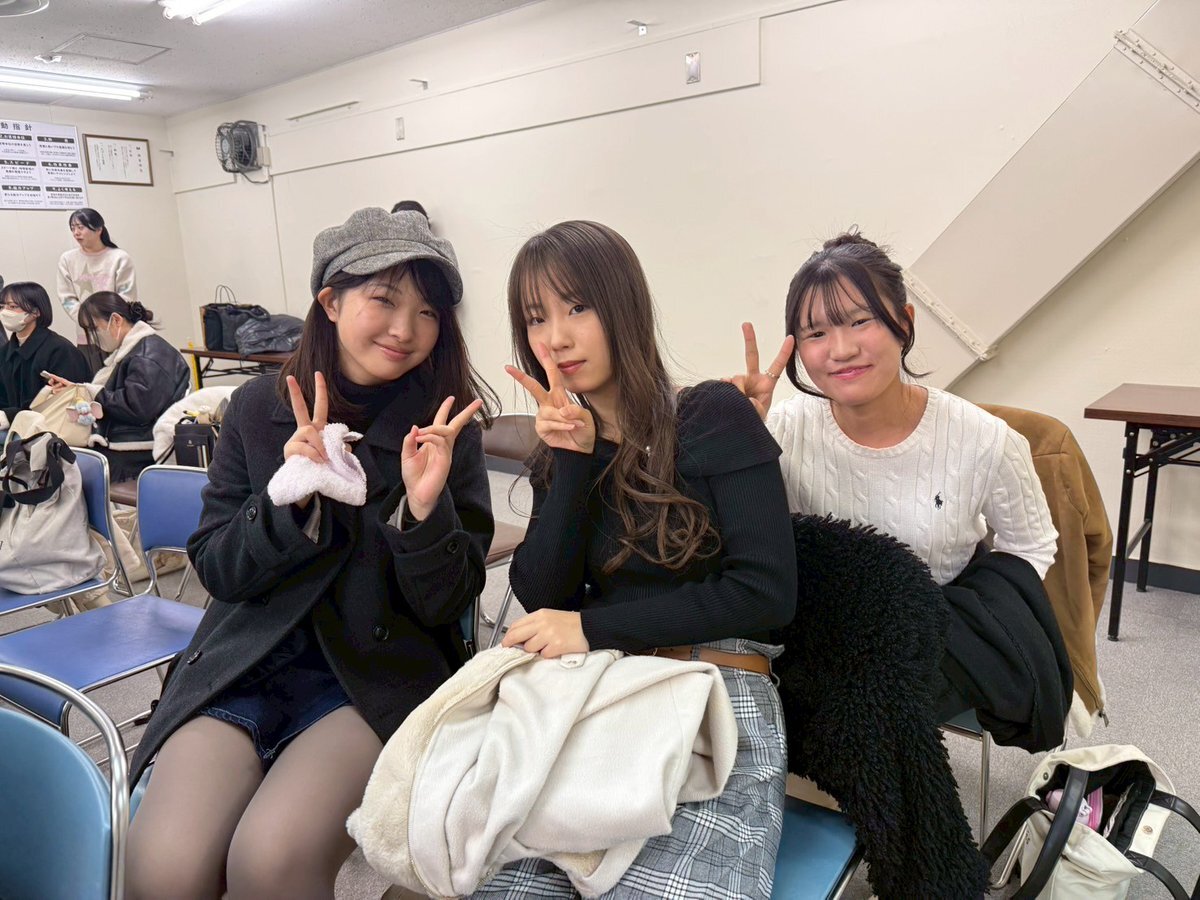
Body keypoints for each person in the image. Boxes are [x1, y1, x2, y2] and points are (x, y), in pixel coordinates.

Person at [124, 207, 496, 900]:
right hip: (250, 660)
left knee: (270, 863)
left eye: (427, 312)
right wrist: (288, 498)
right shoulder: (257, 408)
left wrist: (423, 511)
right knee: (162, 868)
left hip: (369, 677)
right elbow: (217, 567)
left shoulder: (446, 426)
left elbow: (448, 603)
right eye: (384, 300)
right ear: (330, 301)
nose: (405, 329)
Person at [475, 220, 796, 899]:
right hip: (600, 693)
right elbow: (543, 594)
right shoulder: (565, 447)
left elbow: (766, 592)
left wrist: (592, 627)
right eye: (536, 318)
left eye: (577, 307)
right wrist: (573, 461)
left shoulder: (710, 414)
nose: (555, 338)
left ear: (624, 305)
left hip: (716, 694)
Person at [732, 230, 1058, 719]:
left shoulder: (986, 440)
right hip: (815, 629)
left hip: (928, 638)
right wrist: (740, 440)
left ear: (904, 322)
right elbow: (740, 545)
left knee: (851, 713)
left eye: (860, 321)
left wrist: (971, 627)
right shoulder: (781, 430)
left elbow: (1031, 547)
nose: (841, 350)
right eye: (816, 333)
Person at [46, 292, 189, 482]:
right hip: (128, 443)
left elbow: (137, 407)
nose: (93, 338)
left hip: (138, 451)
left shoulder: (146, 355)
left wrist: (92, 393)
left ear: (116, 320)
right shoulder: (137, 350)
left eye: (94, 329)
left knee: (62, 469)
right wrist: (77, 389)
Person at [57, 207, 138, 373]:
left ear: (99, 229)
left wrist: (106, 321)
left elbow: (127, 295)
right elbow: (66, 297)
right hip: (86, 335)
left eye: (81, 227)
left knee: (122, 379)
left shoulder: (119, 257)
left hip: (116, 332)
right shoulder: (67, 259)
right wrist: (88, 321)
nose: (76, 233)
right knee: (92, 381)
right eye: (72, 228)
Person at [0, 281, 89, 432]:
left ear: (35, 311)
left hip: (52, 429)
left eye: (13, 307)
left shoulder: (60, 350)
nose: (5, 312)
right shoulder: (5, 352)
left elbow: (64, 402)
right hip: (16, 427)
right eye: (2, 306)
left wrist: (10, 416)